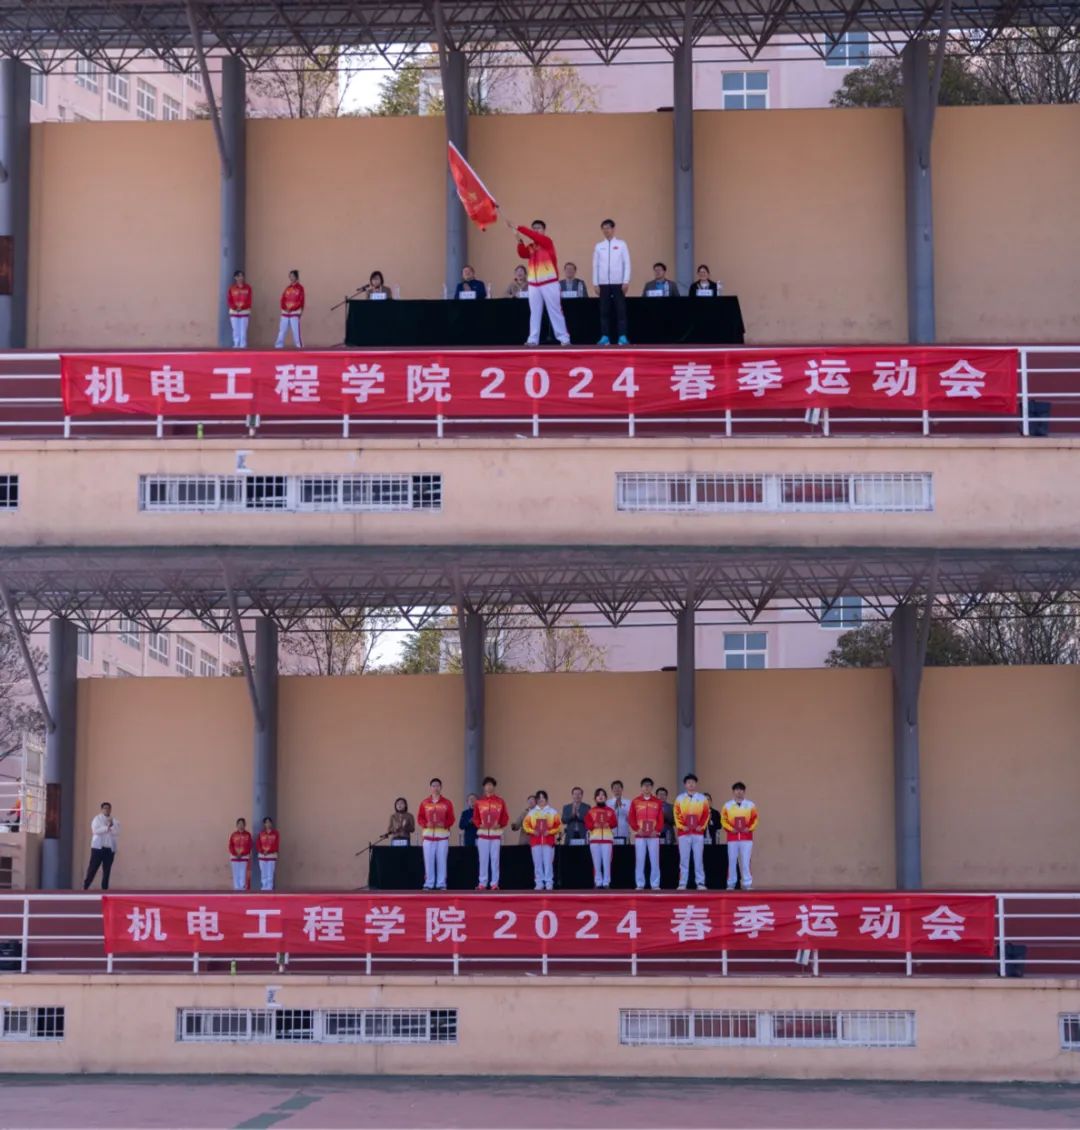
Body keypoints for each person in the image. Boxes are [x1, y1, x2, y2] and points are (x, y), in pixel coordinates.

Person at [505, 217, 571, 346]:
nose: (536, 230)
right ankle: (533, 339)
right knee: (535, 312)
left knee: (555, 310)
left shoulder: (547, 242)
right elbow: (522, 254)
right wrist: (518, 239)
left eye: (538, 228)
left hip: (549, 282)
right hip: (534, 285)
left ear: (544, 230)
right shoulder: (531, 247)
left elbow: (533, 236)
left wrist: (519, 227)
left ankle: (564, 338)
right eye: (534, 228)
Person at [592, 218, 631, 345]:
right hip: (603, 284)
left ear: (613, 229)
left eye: (608, 228)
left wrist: (626, 281)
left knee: (621, 311)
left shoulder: (621, 244)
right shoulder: (599, 246)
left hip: (618, 283)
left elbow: (627, 263)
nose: (606, 230)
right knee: (604, 311)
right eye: (603, 228)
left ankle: (622, 336)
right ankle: (605, 337)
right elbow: (595, 265)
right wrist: (595, 283)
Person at [472, 776, 510, 891]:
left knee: (495, 859)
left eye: (491, 784)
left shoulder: (500, 801)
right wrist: (479, 825)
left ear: (494, 786)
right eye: (487, 785)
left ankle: (494, 883)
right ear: (484, 787)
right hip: (483, 835)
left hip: (495, 835)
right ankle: (482, 883)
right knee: (483, 860)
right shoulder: (479, 802)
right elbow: (475, 818)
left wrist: (500, 825)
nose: (489, 787)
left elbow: (505, 817)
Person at [674, 774, 710, 891]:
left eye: (693, 782)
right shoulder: (679, 799)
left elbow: (706, 814)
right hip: (684, 834)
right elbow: (676, 814)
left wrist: (701, 826)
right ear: (685, 785)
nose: (691, 784)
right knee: (684, 859)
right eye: (689, 782)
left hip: (698, 833)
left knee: (698, 859)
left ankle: (700, 882)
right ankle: (682, 883)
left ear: (696, 784)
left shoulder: (702, 799)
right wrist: (682, 826)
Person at [417, 778, 455, 891]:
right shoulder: (425, 803)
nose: (435, 788)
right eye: (433, 786)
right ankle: (429, 883)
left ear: (441, 787)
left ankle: (441, 883)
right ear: (430, 788)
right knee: (428, 861)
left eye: (437, 785)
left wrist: (444, 824)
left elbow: (451, 819)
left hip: (442, 837)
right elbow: (420, 818)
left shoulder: (447, 803)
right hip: (428, 837)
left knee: (441, 861)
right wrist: (426, 824)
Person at [721, 780, 759, 891]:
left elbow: (755, 819)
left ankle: (747, 884)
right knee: (732, 861)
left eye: (741, 790)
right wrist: (730, 829)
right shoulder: (727, 806)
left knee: (746, 861)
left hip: (746, 838)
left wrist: (749, 828)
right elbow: (723, 820)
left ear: (744, 791)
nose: (739, 792)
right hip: (732, 838)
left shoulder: (750, 805)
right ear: (733, 791)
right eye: (737, 790)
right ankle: (731, 884)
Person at [628, 778, 664, 891]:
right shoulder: (635, 801)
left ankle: (655, 884)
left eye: (649, 785)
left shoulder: (657, 802)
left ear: (652, 787)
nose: (647, 787)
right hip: (640, 836)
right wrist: (637, 829)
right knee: (640, 860)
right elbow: (631, 817)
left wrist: (656, 830)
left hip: (653, 836)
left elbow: (661, 818)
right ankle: (640, 884)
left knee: (655, 860)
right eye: (644, 785)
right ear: (641, 787)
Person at [523, 790, 561, 891]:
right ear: (536, 800)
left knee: (548, 863)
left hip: (548, 841)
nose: (541, 799)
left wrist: (550, 832)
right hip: (535, 842)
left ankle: (549, 883)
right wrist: (532, 831)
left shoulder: (552, 812)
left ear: (546, 799)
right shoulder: (532, 813)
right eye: (539, 798)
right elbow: (525, 825)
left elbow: (558, 826)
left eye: (543, 797)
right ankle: (539, 883)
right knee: (537, 863)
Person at [82, 801, 119, 891]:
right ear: (102, 809)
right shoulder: (97, 819)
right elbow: (95, 831)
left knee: (107, 870)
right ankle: (85, 886)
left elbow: (117, 832)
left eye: (108, 808)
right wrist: (107, 828)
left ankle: (104, 888)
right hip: (98, 848)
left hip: (109, 849)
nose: (107, 810)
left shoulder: (114, 820)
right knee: (93, 868)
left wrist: (111, 826)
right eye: (105, 808)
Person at [585, 787, 616, 889]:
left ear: (606, 798)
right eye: (598, 795)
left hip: (607, 839)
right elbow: (587, 824)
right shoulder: (591, 811)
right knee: (596, 862)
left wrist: (608, 824)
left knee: (607, 862)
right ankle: (598, 881)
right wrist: (594, 825)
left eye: (603, 795)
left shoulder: (610, 811)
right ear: (595, 798)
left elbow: (614, 823)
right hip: (594, 839)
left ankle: (606, 881)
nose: (601, 796)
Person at [274, 269, 305, 348]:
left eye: (292, 276)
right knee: (282, 331)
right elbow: (283, 299)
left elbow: (301, 301)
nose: (291, 278)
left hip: (294, 313)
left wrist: (292, 308)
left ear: (296, 277)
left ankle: (299, 347)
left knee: (296, 332)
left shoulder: (300, 288)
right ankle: (278, 346)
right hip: (285, 313)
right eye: (290, 276)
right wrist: (285, 308)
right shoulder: (287, 288)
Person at [227, 269, 252, 348]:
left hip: (244, 312)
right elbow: (229, 300)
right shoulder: (231, 288)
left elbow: (249, 300)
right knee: (235, 330)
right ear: (235, 277)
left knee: (243, 330)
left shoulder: (248, 288)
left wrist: (242, 307)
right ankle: (236, 344)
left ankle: (243, 345)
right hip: (234, 312)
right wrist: (235, 307)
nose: (241, 278)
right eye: (239, 276)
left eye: (242, 276)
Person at [228, 818, 253, 892]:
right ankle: (236, 889)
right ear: (237, 825)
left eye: (242, 824)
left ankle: (242, 889)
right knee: (236, 874)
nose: (241, 825)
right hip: (234, 858)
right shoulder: (233, 835)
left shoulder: (248, 835)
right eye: (239, 824)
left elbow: (249, 845)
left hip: (244, 857)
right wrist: (235, 853)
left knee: (243, 873)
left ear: (245, 825)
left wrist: (242, 854)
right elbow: (230, 845)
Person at [256, 817, 280, 891]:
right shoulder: (261, 833)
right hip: (262, 856)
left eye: (269, 822)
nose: (268, 824)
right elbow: (258, 844)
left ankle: (269, 888)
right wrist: (262, 851)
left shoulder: (275, 833)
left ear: (271, 823)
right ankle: (264, 888)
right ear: (264, 824)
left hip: (271, 856)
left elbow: (276, 845)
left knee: (270, 873)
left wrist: (269, 851)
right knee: (263, 873)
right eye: (266, 822)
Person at [606, 780, 631, 844]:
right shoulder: (607, 803)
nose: (617, 790)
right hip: (611, 833)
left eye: (619, 787)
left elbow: (630, 817)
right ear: (612, 790)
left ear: (622, 789)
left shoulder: (628, 802)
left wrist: (621, 806)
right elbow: (607, 818)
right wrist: (614, 808)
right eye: (615, 788)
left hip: (624, 832)